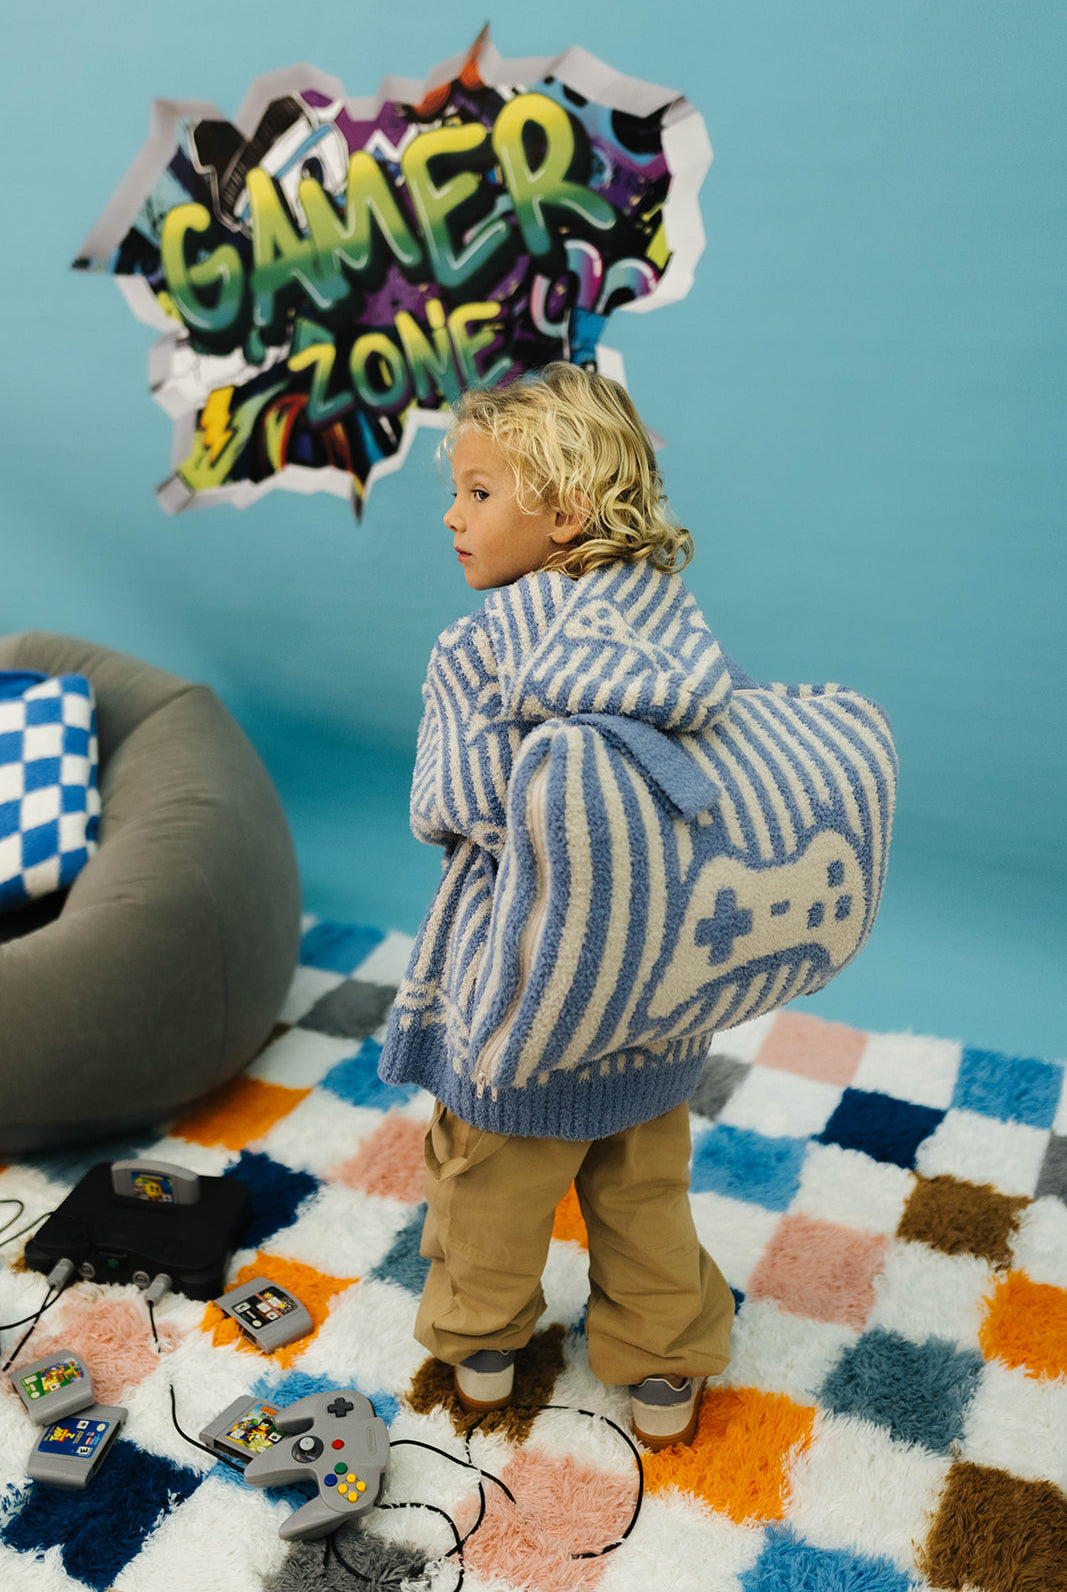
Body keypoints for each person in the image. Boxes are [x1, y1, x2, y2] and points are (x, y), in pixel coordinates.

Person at [378, 362, 736, 1449]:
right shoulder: (675, 631)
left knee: (486, 1182)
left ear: (565, 510)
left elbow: (455, 808)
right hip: (652, 994)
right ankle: (665, 1361)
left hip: (520, 993)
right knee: (642, 1192)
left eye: (479, 491)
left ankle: (481, 1348)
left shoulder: (478, 644)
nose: (452, 512)